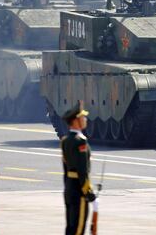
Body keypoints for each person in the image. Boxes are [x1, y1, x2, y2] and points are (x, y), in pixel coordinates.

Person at [60, 101, 98, 235]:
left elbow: (66, 170)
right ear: (76, 121)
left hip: (69, 189)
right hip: (79, 191)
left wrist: (67, 188)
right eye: (82, 117)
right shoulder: (80, 142)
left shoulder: (65, 140)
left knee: (70, 229)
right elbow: (83, 172)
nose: (85, 119)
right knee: (78, 230)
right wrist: (90, 195)